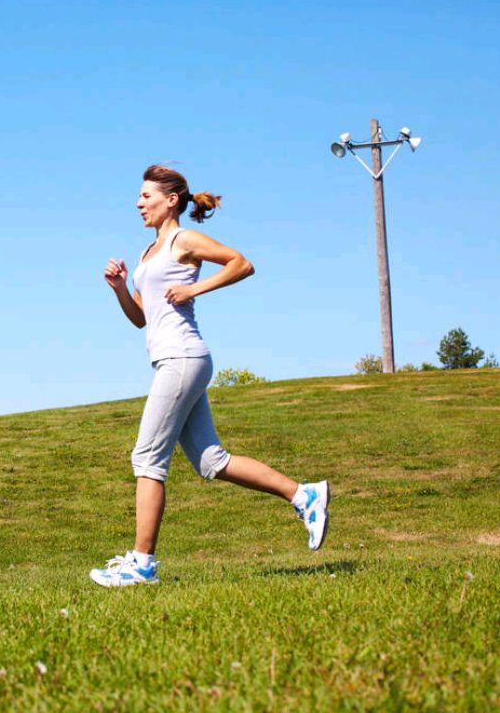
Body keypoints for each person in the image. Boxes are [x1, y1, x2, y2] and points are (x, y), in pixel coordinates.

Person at [89, 164, 329, 588]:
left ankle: (142, 564)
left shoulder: (183, 240)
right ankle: (303, 494)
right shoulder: (147, 253)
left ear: (171, 200)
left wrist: (193, 289)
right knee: (211, 461)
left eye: (146, 196)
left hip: (182, 357)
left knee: (147, 459)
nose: (138, 203)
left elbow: (242, 263)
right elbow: (142, 318)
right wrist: (120, 289)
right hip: (174, 360)